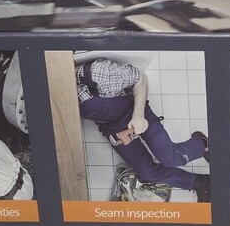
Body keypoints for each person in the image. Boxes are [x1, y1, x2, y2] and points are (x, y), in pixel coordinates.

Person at [76, 57, 210, 201]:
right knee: (147, 173)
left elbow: (141, 79)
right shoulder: (65, 103)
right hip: (115, 127)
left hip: (135, 111)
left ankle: (203, 144)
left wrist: (138, 116)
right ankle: (200, 183)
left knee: (171, 158)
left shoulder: (97, 74)